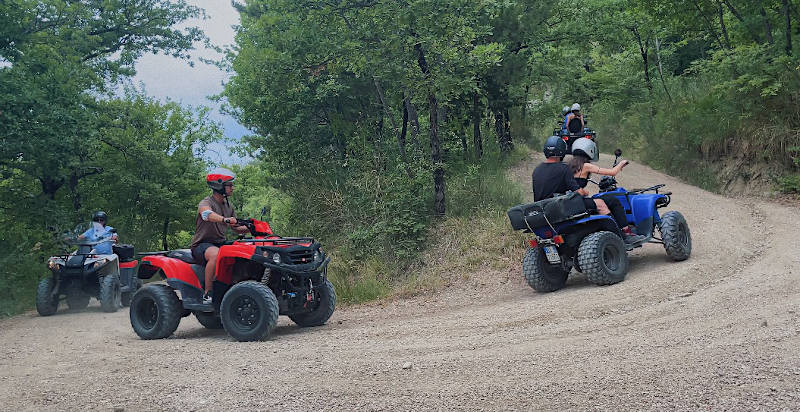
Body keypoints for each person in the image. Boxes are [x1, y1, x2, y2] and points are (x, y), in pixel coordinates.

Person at [531, 136, 643, 244]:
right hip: (562, 206)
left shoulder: (537, 170)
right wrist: (622, 163)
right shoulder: (564, 168)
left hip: (544, 209)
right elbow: (578, 191)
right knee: (601, 204)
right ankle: (621, 236)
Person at [190, 167, 250, 304]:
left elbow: (237, 228)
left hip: (220, 242)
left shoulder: (229, 206)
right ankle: (208, 293)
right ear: (219, 186)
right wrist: (225, 219)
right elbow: (207, 215)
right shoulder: (206, 203)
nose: (232, 188)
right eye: (229, 185)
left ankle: (236, 287)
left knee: (243, 251)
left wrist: (251, 228)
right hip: (202, 245)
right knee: (216, 255)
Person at [568, 138, 645, 243]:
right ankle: (625, 233)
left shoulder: (570, 166)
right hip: (580, 200)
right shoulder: (585, 166)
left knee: (603, 199)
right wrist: (622, 163)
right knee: (614, 201)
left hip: (572, 201)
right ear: (589, 150)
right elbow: (612, 172)